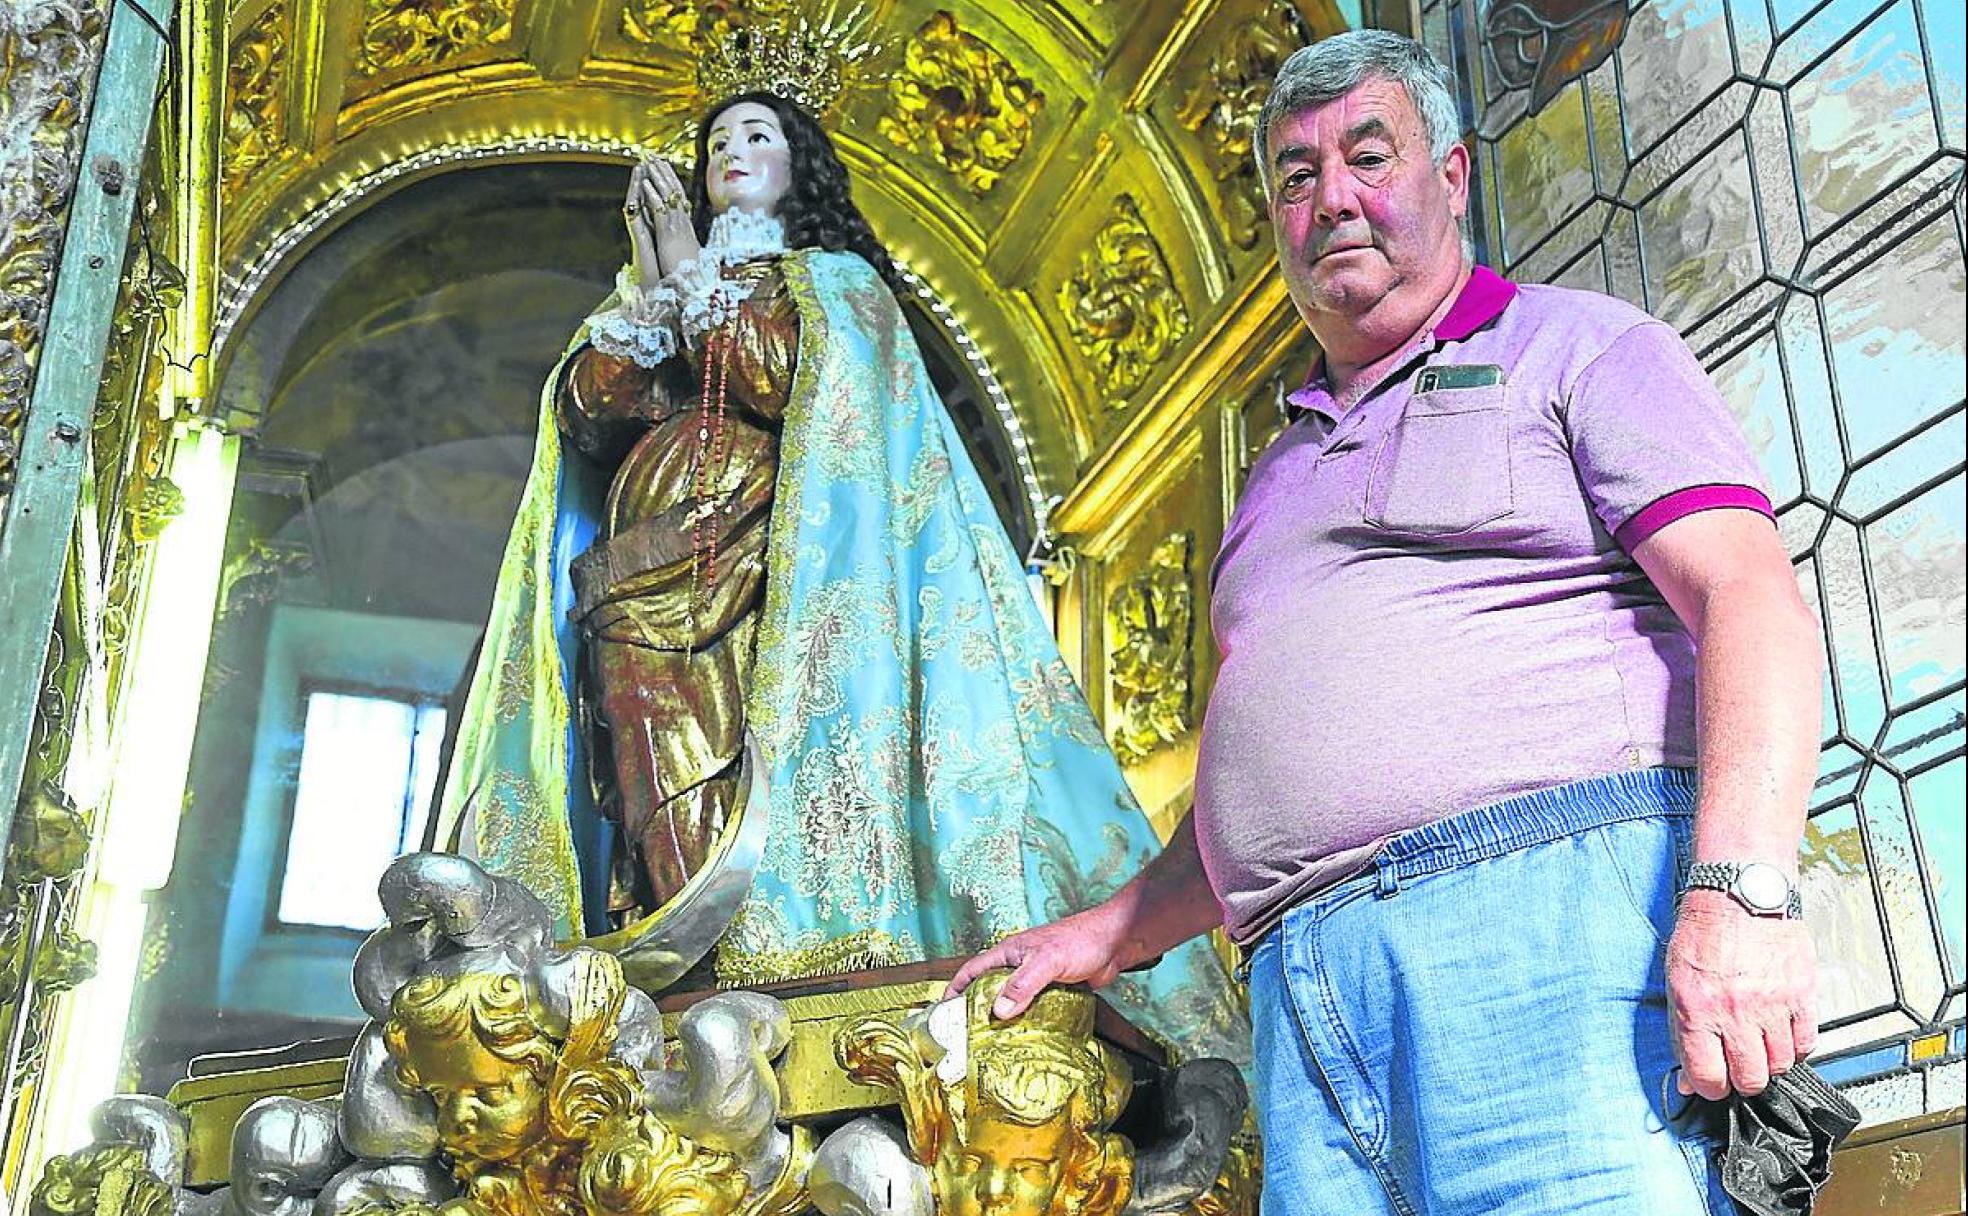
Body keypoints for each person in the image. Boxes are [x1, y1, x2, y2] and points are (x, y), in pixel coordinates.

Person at [952, 29, 1823, 1213]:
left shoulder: (1575, 348)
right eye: (1297, 176)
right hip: (1305, 1003)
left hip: (1550, 953)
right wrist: (1111, 930)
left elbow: (1750, 599)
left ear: (1453, 176)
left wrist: (1743, 894)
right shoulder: (1269, 483)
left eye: (1371, 155)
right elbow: (1261, 788)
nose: (1334, 199)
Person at [430, 17, 1248, 1070]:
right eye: (719, 136)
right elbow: (591, 416)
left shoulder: (834, 287)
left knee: (740, 761)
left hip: (774, 574)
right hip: (639, 569)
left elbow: (780, 379)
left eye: (759, 134)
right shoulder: (655, 294)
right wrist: (645, 294)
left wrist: (691, 276)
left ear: (798, 168)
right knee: (640, 761)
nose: (733, 150)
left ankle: (743, 963)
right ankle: (669, 953)